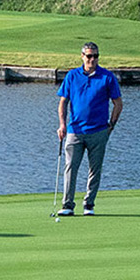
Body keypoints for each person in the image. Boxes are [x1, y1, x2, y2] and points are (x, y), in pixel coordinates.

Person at [56, 42, 122, 216]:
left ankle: (89, 205)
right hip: (75, 130)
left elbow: (118, 103)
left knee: (95, 170)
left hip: (98, 131)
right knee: (70, 168)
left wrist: (111, 125)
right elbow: (63, 102)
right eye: (89, 56)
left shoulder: (107, 77)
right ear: (82, 56)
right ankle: (67, 205)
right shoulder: (72, 76)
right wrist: (62, 124)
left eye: (95, 56)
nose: (92, 59)